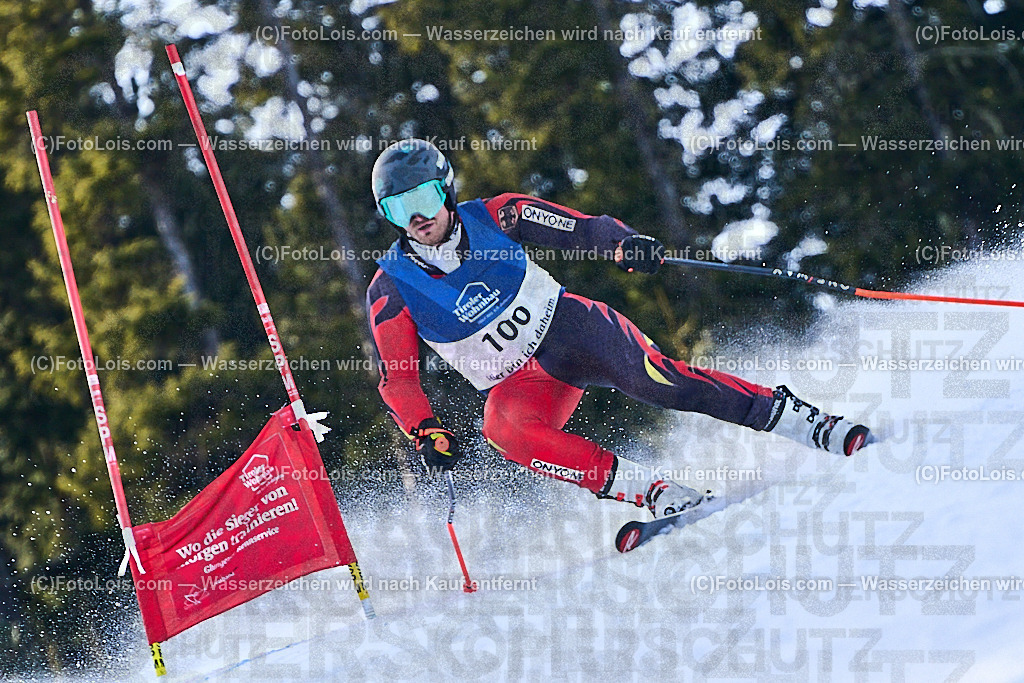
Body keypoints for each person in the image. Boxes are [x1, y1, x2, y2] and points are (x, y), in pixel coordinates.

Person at [365, 138, 871, 518]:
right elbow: (399, 378)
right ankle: (656, 494)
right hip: (522, 383)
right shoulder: (391, 289)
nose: (416, 218)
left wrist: (624, 245)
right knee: (503, 430)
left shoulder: (500, 216)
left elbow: (582, 229)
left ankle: (800, 420)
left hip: (571, 331)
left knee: (658, 382)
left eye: (424, 199)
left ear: (446, 189)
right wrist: (424, 430)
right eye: (398, 209)